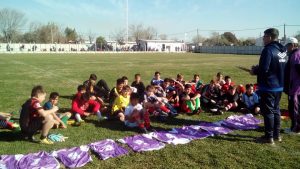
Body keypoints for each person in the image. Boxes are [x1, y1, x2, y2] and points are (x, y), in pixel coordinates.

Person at [252, 28, 287, 144]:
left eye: (264, 36)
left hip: (268, 86)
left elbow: (264, 69)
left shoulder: (268, 50)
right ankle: (277, 135)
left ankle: (269, 137)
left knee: (268, 112)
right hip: (279, 86)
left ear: (270, 37)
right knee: (276, 110)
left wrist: (254, 70)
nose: (263, 38)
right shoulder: (283, 50)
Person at [284, 37, 300, 133]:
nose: (286, 47)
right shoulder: (294, 54)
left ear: (293, 45)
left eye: (288, 45)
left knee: (294, 108)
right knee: (294, 107)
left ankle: (295, 129)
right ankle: (294, 127)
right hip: (294, 86)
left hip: (295, 87)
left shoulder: (295, 55)